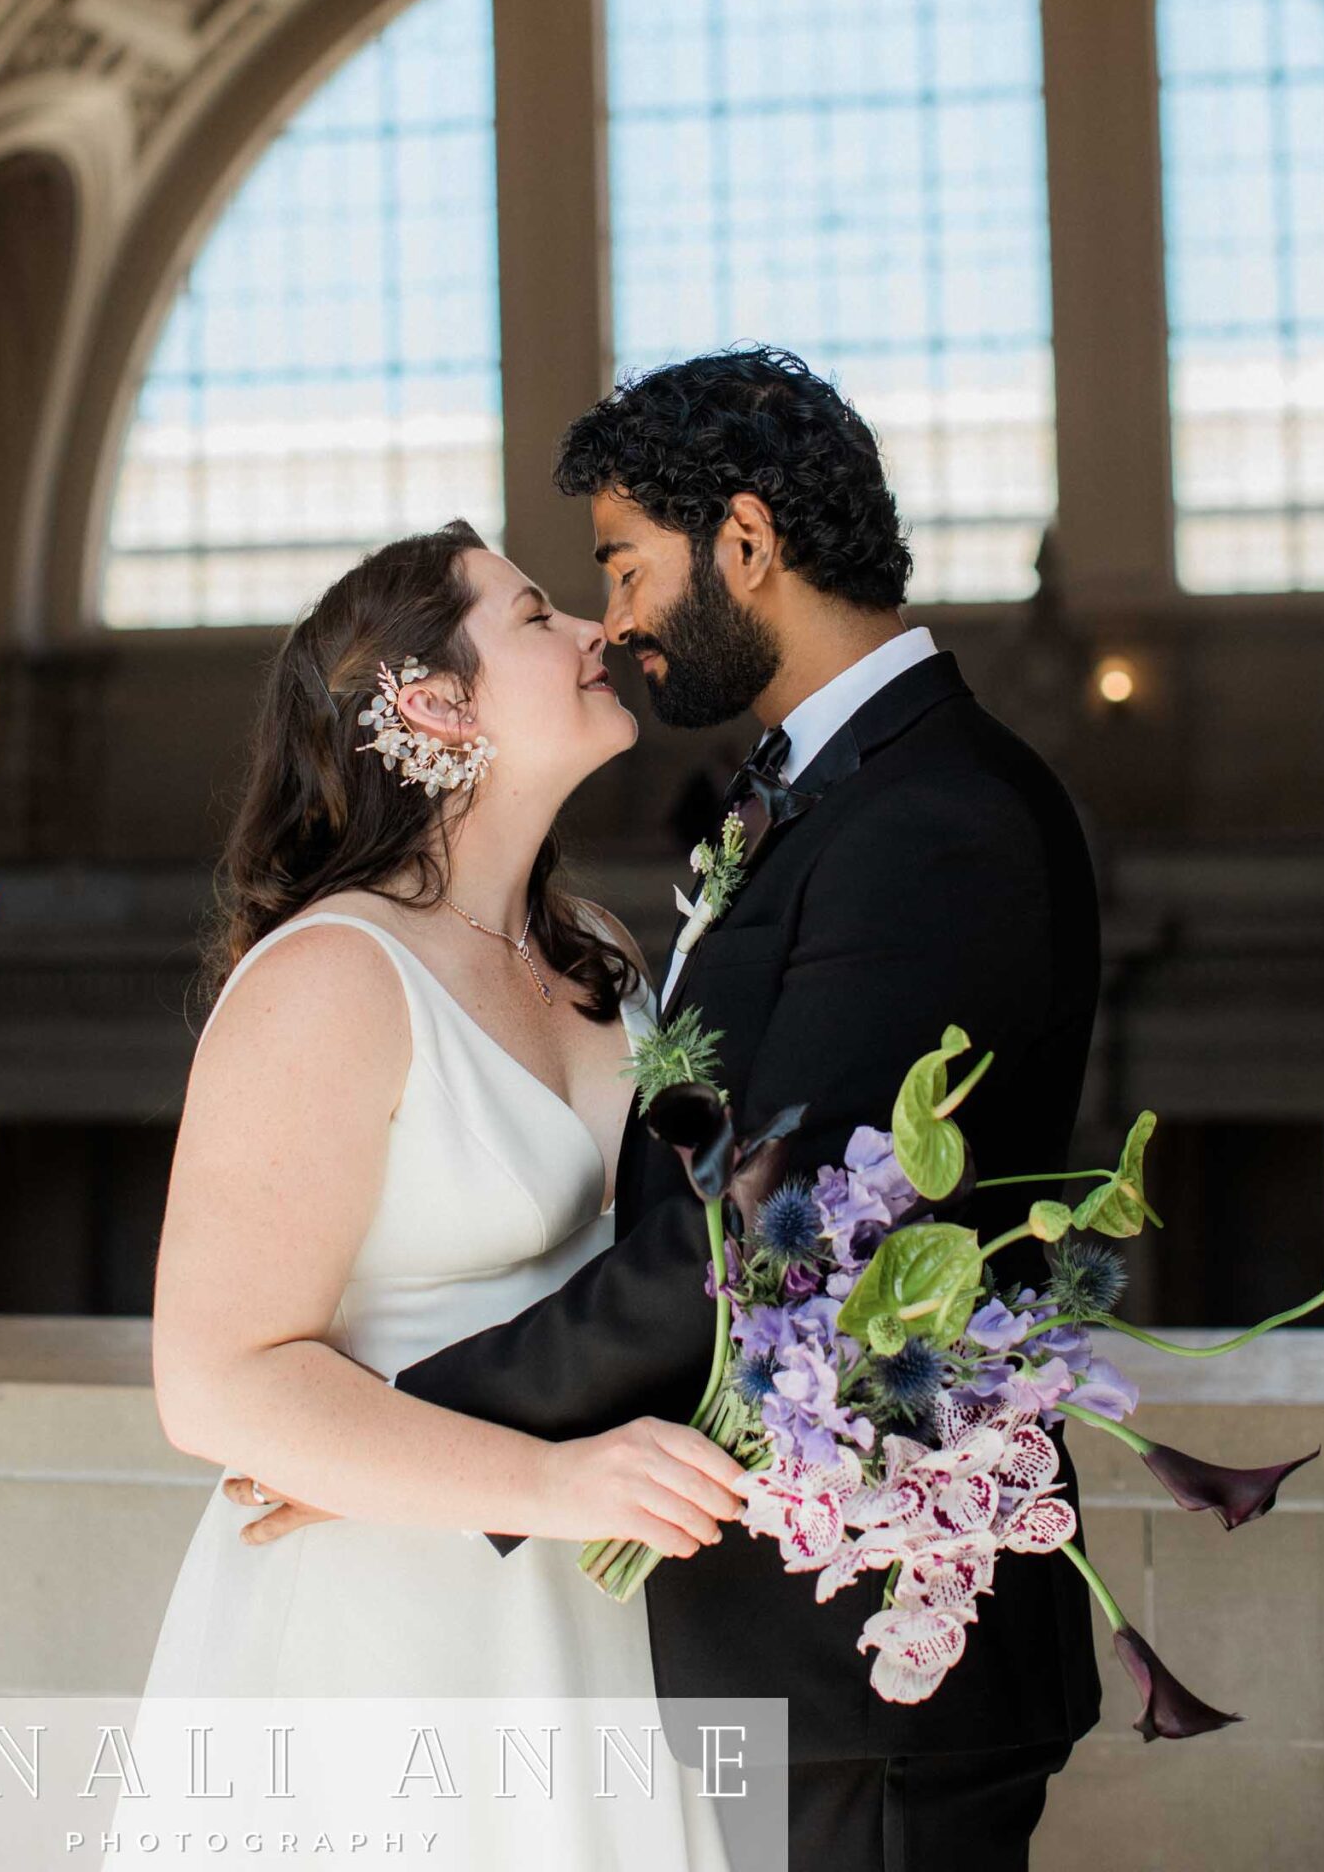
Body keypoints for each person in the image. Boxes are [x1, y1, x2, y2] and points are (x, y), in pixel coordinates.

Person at [235, 344, 1106, 1870]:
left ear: (749, 547)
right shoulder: (826, 798)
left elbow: (770, 1236)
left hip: (868, 1654)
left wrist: (396, 1435)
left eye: (627, 567)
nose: (617, 622)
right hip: (755, 1629)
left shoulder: (931, 819)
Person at [125, 515, 743, 1866]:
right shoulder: (329, 980)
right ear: (432, 702)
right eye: (536, 618)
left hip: (602, 1588)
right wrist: (555, 1481)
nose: (594, 631)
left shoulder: (600, 951)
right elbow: (216, 1382)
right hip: (391, 1625)